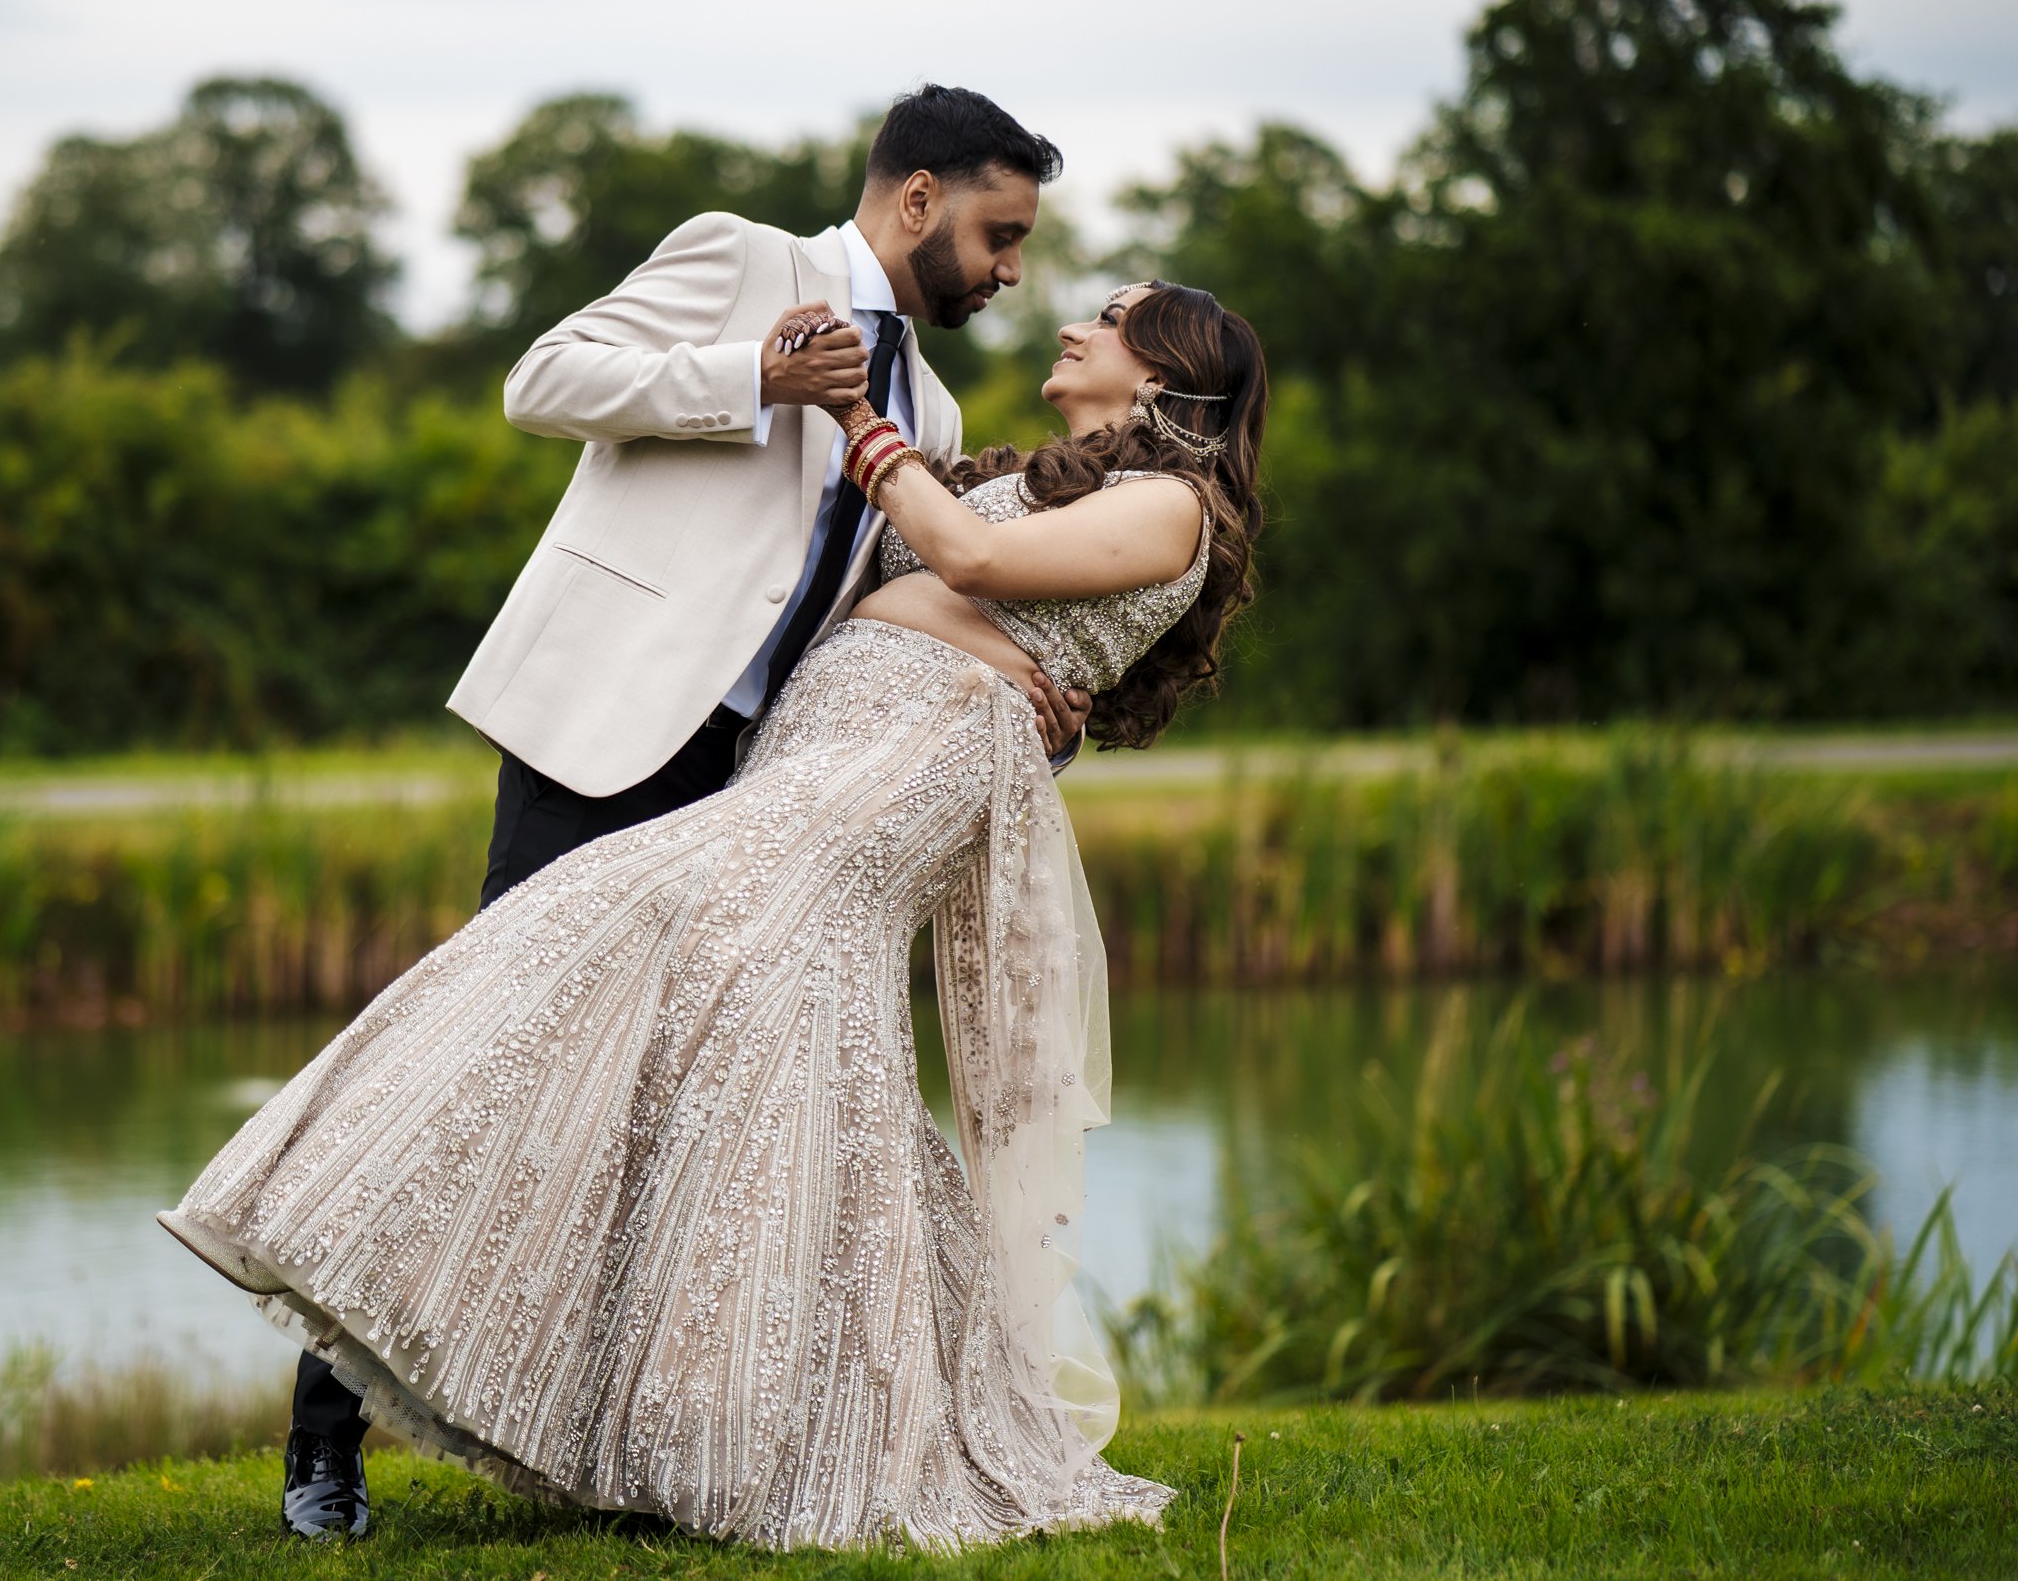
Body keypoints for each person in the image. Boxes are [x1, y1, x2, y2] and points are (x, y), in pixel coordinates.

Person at [160, 273, 1268, 1550]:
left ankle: (403, 1265)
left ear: (1164, 368)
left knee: (589, 938)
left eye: (1109, 316)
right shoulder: (816, 311)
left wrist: (861, 423)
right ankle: (703, 1415)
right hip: (775, 743)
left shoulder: (1164, 503)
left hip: (874, 783)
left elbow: (969, 561)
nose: (1062, 312)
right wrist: (982, 629)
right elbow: (921, 592)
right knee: (759, 1056)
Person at [249, 82, 1078, 1542]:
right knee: (486, 1073)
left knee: (662, 1112)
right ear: (919, 199)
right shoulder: (739, 257)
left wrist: (1021, 685)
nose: (1010, 271)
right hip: (601, 733)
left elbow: (871, 609)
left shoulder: (931, 408)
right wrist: (751, 373)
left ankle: (607, 1441)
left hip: (752, 787)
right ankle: (328, 1442)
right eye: (1000, 235)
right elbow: (544, 380)